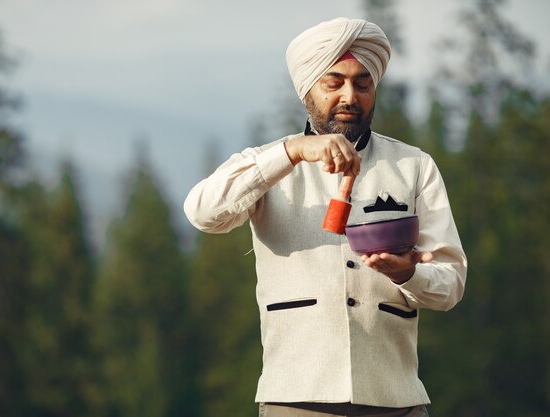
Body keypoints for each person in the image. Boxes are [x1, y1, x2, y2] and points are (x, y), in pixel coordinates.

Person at [184, 17, 467, 417]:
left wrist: (408, 274)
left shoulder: (413, 166)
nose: (350, 96)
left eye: (362, 83)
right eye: (334, 83)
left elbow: (451, 283)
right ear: (307, 90)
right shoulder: (270, 164)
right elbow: (203, 213)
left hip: (395, 398)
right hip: (295, 396)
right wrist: (292, 153)